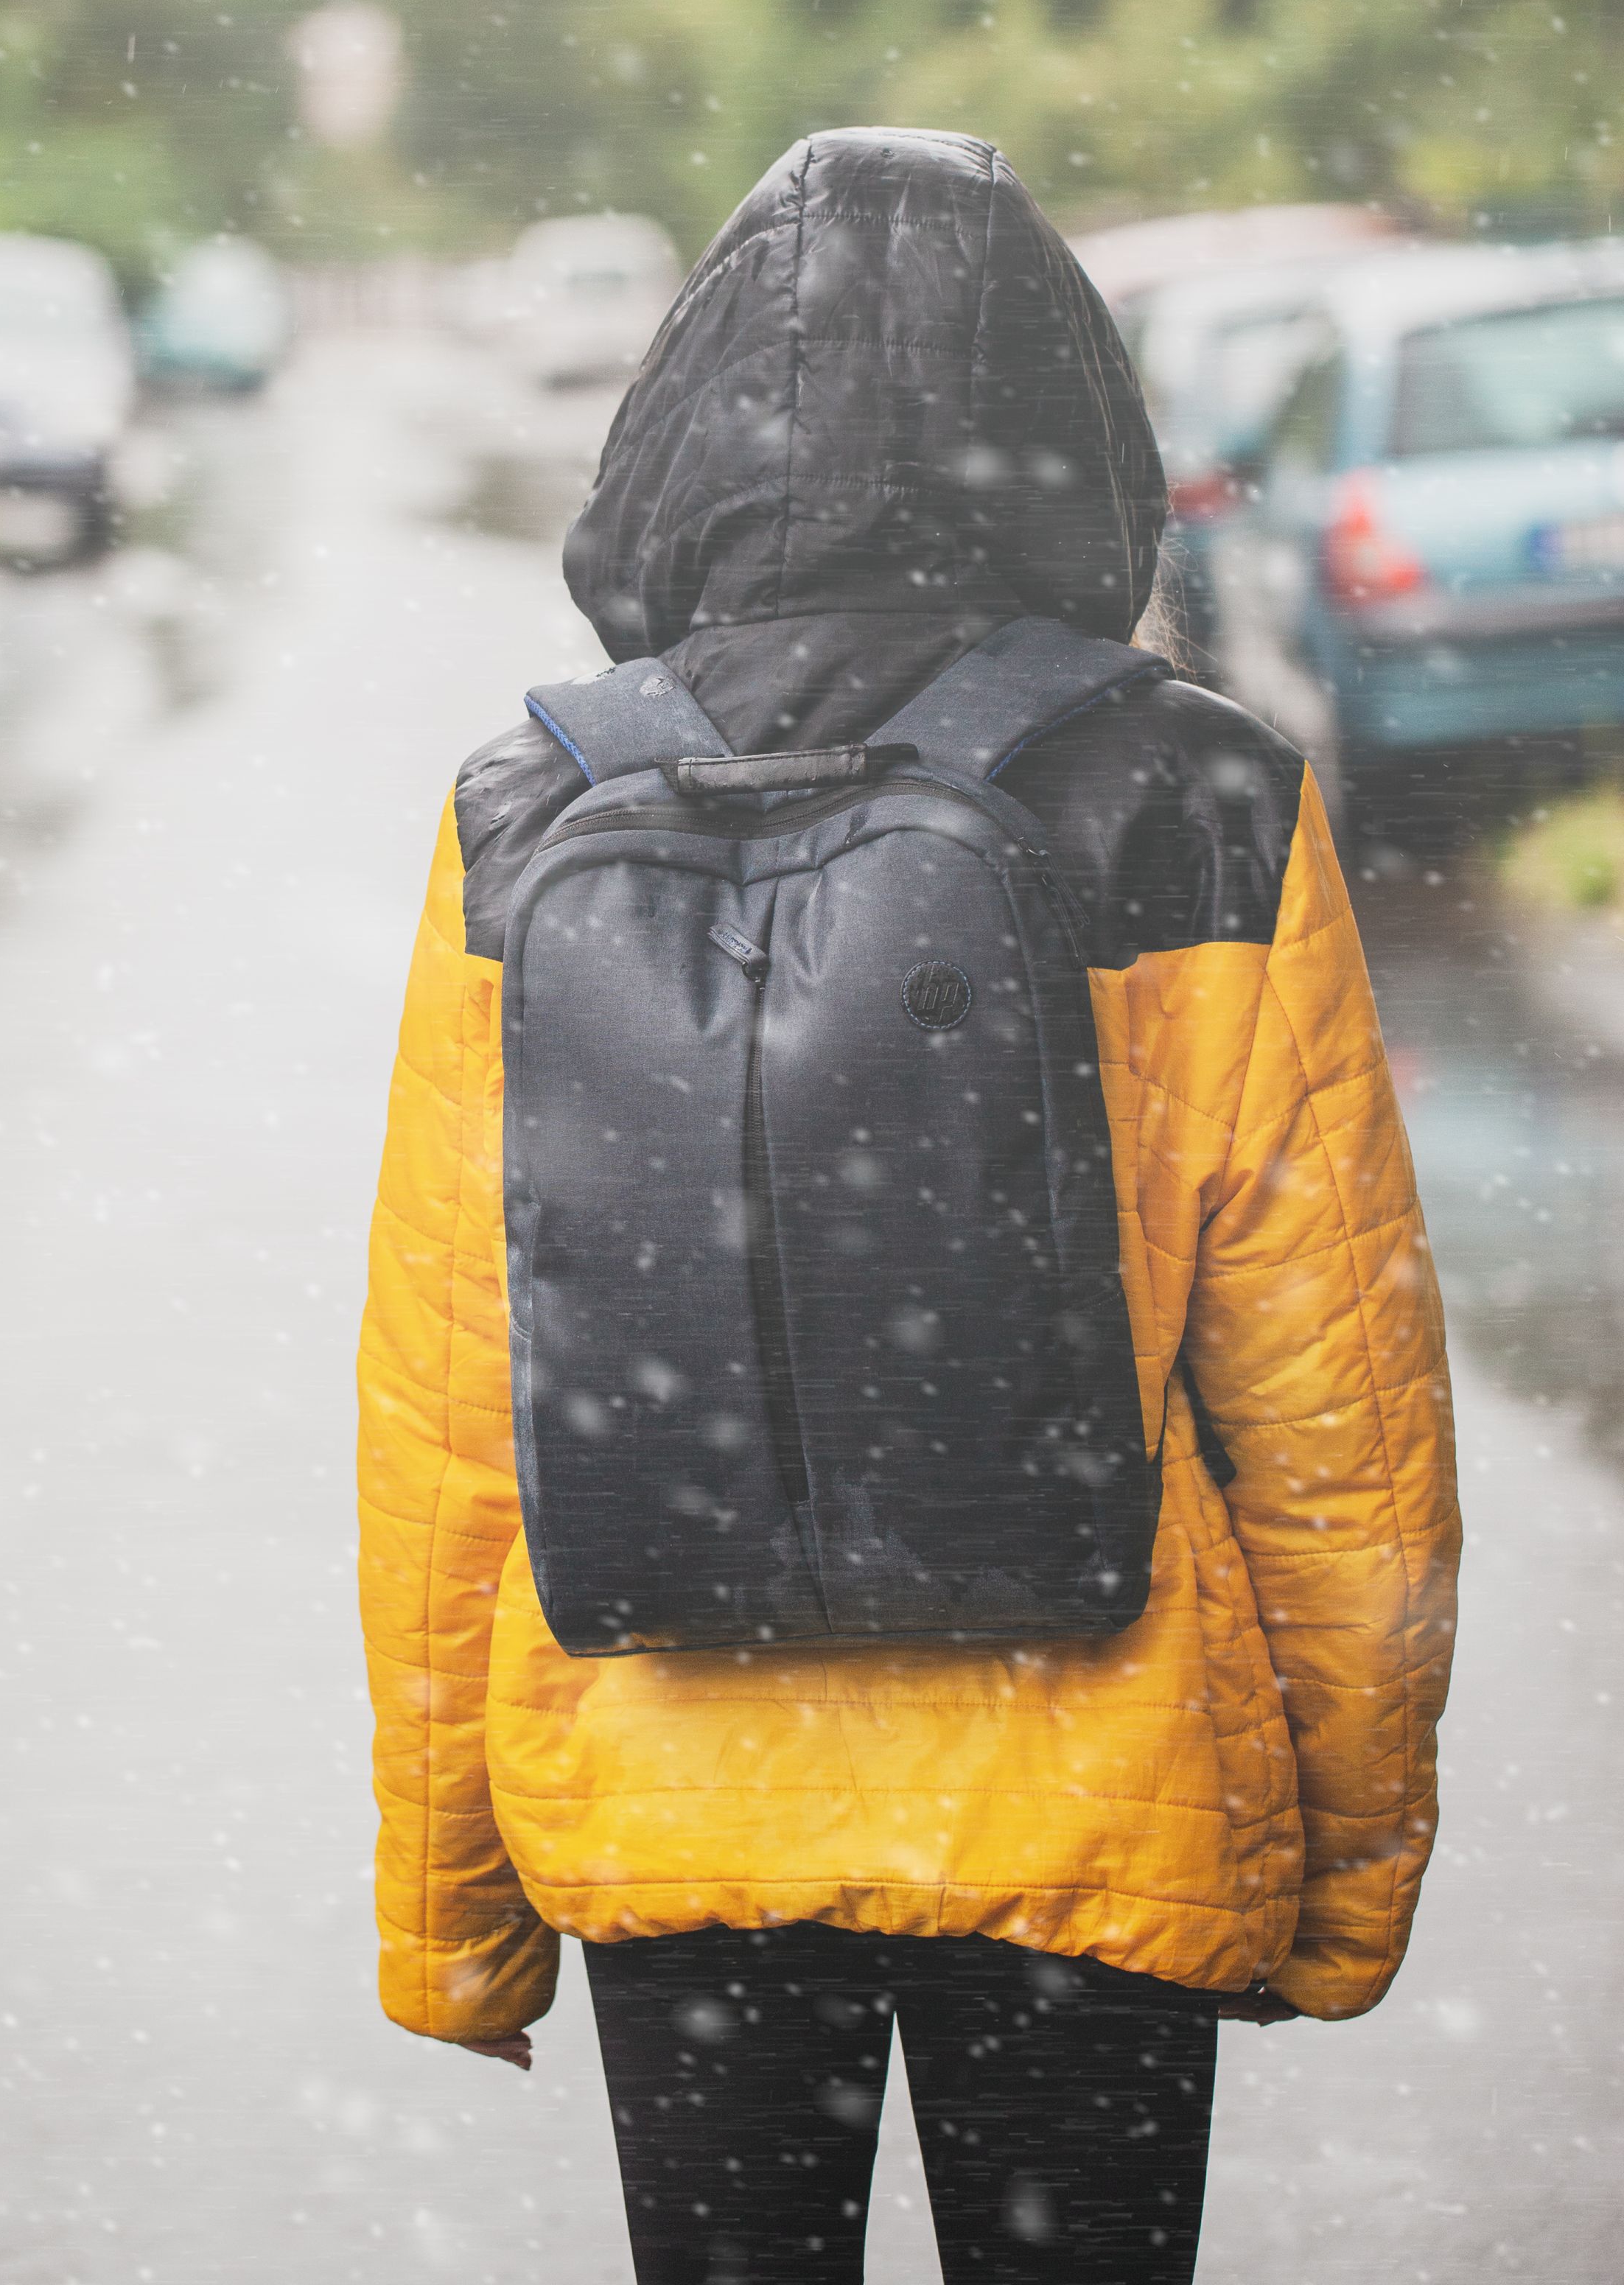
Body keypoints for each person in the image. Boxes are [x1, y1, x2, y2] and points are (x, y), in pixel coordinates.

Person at [357, 129, 1458, 2283]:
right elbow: (1341, 1410)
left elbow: (453, 1413)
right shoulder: (1200, 794)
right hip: (1103, 1796)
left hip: (673, 1797)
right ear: (1072, 431)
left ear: (674, 437)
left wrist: (451, 1906)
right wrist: (1340, 1866)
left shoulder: (531, 809)